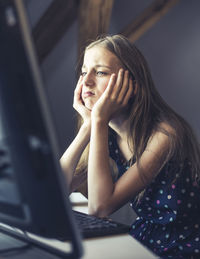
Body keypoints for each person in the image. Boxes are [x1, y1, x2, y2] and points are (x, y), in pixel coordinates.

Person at [60, 34, 200, 259]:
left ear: (131, 84)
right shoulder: (104, 132)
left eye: (101, 72)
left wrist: (97, 120)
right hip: (146, 236)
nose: (86, 81)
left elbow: (99, 207)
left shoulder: (166, 134)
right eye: (84, 71)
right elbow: (58, 191)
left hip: (184, 245)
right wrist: (88, 126)